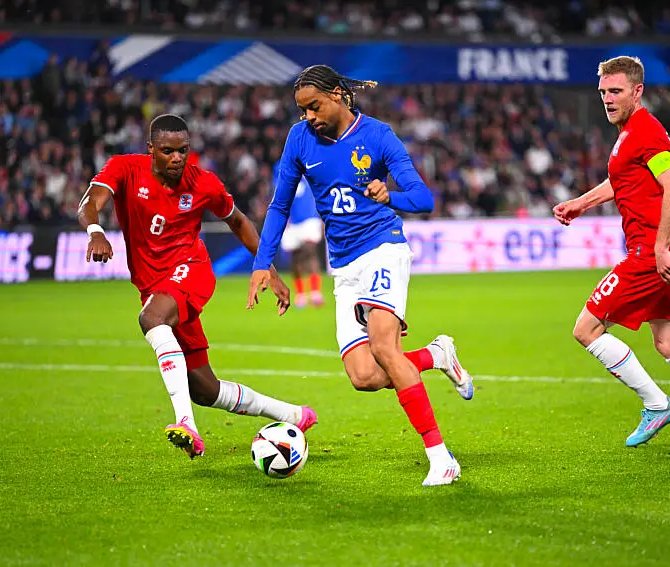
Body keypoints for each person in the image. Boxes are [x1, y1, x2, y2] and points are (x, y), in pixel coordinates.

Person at [247, 65, 474, 487]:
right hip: (344, 266)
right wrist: (263, 263)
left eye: (314, 106)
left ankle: (441, 458)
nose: (309, 117)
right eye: (302, 110)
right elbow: (279, 206)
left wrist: (392, 195)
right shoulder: (299, 139)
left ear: (338, 94)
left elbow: (424, 198)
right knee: (364, 377)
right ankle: (436, 356)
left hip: (383, 248)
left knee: (385, 348)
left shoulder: (378, 136)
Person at [78, 114, 317, 460]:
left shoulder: (203, 183)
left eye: (183, 150)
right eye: (168, 151)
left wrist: (267, 267)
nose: (177, 158)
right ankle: (293, 415)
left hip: (192, 270)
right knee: (205, 389)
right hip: (154, 285)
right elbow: (89, 202)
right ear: (151, 149)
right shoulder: (125, 168)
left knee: (151, 318)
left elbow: (238, 221)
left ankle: (185, 423)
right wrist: (95, 231)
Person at [553, 56, 670, 454]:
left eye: (615, 91)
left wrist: (658, 248)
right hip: (667, 249)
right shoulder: (630, 134)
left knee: (586, 329)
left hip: (651, 252)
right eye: (603, 92)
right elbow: (621, 181)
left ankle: (656, 405)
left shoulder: (646, 131)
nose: (607, 99)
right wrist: (581, 203)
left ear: (637, 91)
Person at [277, 164, 326, 308]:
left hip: (310, 220)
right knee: (295, 258)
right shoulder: (283, 170)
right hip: (293, 223)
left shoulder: (312, 168)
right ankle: (300, 294)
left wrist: (322, 217)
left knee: (310, 252)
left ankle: (315, 292)